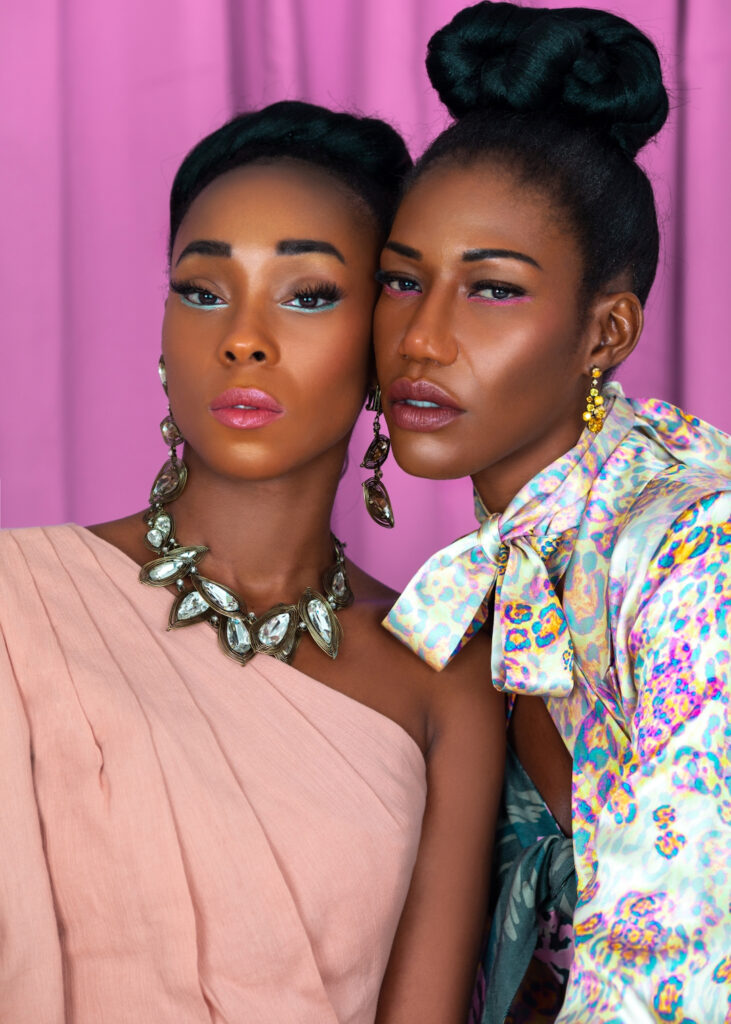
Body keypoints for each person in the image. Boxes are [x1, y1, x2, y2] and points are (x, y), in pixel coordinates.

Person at [0, 100, 505, 1024]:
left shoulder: (443, 672)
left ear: (387, 344)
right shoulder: (15, 601)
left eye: (308, 294)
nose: (242, 337)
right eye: (202, 291)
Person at [372, 4, 731, 1023]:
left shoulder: (694, 550)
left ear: (603, 331)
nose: (421, 339)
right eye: (402, 280)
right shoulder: (499, 572)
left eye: (490, 290)